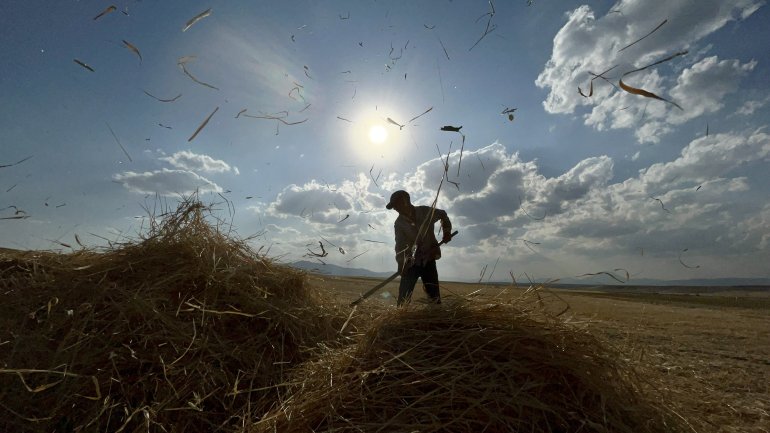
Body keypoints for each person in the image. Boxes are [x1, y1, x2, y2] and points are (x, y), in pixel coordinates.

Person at [385, 190, 452, 306]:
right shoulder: (399, 223)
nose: (395, 208)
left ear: (405, 201)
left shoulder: (425, 211)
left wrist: (446, 232)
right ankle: (401, 319)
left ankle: (436, 318)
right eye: (394, 206)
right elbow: (400, 245)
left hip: (429, 259)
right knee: (403, 298)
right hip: (411, 263)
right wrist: (402, 264)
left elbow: (443, 215)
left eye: (396, 205)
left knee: (434, 297)